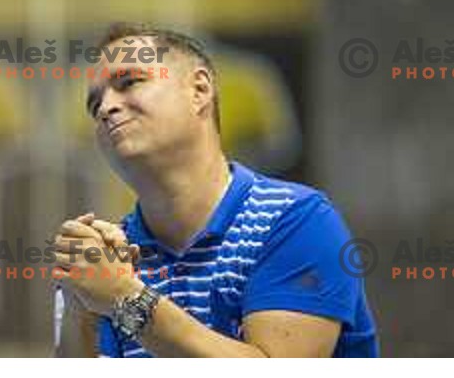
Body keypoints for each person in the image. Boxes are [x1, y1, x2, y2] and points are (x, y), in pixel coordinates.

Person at [49, 23, 378, 358]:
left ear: (200, 89)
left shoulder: (295, 221)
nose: (105, 108)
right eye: (95, 105)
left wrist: (126, 298)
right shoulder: (112, 259)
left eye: (129, 82)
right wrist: (81, 312)